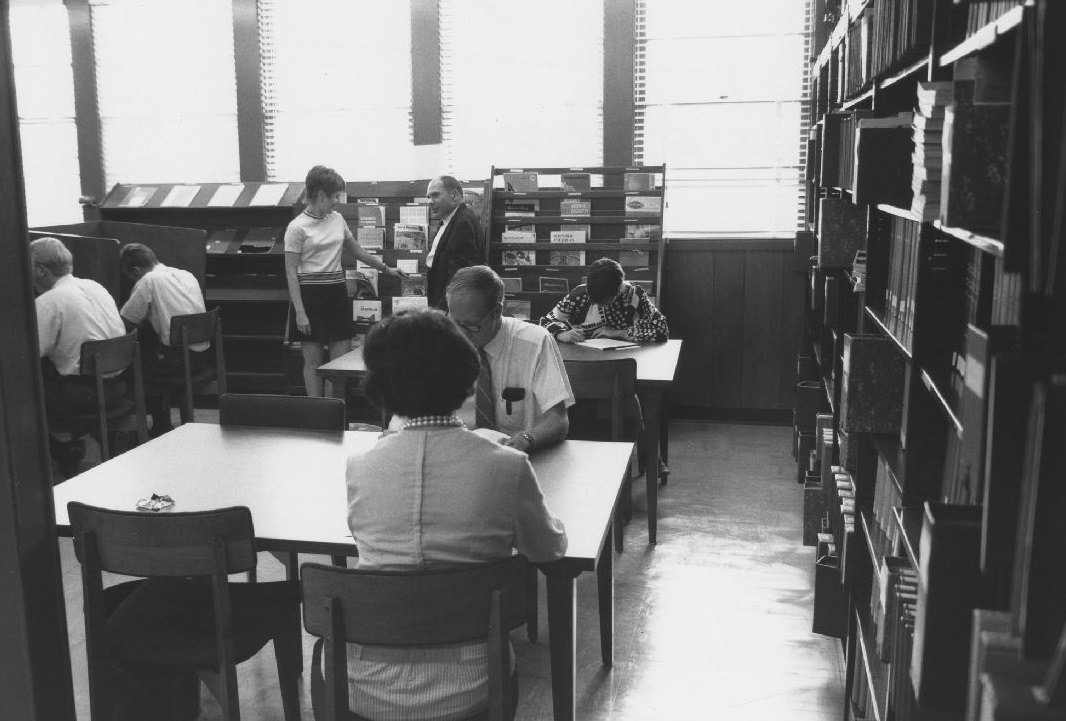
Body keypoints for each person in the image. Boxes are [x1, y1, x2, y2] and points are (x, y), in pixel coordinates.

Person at [345, 309, 567, 719]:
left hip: (365, 683)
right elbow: (548, 551)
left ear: (379, 388)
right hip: (472, 682)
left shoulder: (360, 466)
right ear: (467, 380)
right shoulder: (506, 465)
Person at [285, 165, 404, 397]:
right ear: (321, 196)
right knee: (313, 362)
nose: (338, 201)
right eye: (335, 196)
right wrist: (300, 312)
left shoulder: (337, 219)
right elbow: (290, 272)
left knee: (339, 363)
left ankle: (335, 411)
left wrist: (386, 268)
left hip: (336, 293)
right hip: (309, 297)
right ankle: (316, 412)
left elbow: (358, 252)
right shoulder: (296, 228)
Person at [445, 265, 574, 453]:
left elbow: (558, 421)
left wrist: (528, 438)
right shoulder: (442, 341)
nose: (460, 333)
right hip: (459, 455)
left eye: (470, 325)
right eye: (454, 322)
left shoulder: (535, 342)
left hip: (521, 456)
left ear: (496, 312)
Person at [31, 236, 126, 474]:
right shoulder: (95, 286)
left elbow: (29, 353)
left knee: (18, 398)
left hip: (82, 395)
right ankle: (76, 446)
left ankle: (60, 451)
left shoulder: (49, 301)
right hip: (117, 389)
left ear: (41, 270)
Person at [118, 243, 207, 435]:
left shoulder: (149, 280)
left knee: (132, 365)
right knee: (151, 353)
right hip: (201, 357)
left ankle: (159, 424)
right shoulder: (185, 274)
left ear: (136, 270)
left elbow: (127, 320)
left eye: (131, 278)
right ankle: (166, 420)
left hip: (178, 361)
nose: (132, 282)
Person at [540, 257, 669, 343]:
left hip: (625, 359)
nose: (599, 305)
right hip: (582, 358)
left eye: (605, 301)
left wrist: (620, 333)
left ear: (619, 289)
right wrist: (561, 334)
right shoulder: (580, 294)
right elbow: (545, 321)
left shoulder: (634, 295)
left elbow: (662, 331)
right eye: (594, 301)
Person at [425, 175, 486, 309]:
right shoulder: (450, 221)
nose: (429, 201)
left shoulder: (462, 222)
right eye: (428, 197)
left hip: (453, 311)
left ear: (454, 195)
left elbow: (460, 276)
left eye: (435, 195)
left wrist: (442, 310)